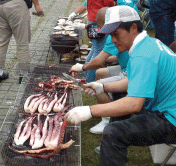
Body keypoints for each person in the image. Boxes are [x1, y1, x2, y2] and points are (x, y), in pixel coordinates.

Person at [65, 6, 176, 165]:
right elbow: (132, 81)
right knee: (120, 97)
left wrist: (90, 110)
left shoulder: (143, 55)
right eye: (110, 35)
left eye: (116, 34)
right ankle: (112, 148)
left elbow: (134, 104)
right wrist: (103, 87)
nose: (113, 40)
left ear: (133, 28)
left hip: (171, 118)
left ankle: (111, 144)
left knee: (113, 133)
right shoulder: (147, 44)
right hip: (168, 108)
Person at [71, 0, 139, 134]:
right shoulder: (122, 32)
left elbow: (98, 61)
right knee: (100, 73)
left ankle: (107, 120)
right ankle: (111, 104)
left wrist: (82, 68)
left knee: (99, 85)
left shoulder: (114, 35)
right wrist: (106, 59)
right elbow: (116, 56)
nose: (102, 31)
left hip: (129, 72)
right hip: (126, 66)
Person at [0, 0, 43, 84]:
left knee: (1, 41)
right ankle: (24, 74)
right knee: (22, 41)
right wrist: (37, 5)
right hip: (16, 5)